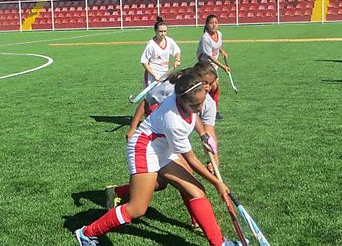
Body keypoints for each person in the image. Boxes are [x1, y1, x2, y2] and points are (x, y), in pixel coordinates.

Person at [75, 72, 234, 246]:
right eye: (196, 104)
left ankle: (219, 243)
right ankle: (86, 233)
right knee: (136, 209)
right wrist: (217, 183)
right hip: (144, 149)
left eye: (202, 101)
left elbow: (194, 115)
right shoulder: (173, 120)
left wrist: (204, 135)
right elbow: (191, 160)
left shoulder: (185, 98)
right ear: (182, 101)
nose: (200, 107)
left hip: (162, 148)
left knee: (197, 191)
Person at [109, 62, 221, 232]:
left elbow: (204, 124)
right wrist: (133, 127)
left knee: (161, 184)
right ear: (195, 79)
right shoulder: (178, 93)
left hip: (165, 144)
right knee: (184, 180)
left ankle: (117, 191)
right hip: (153, 143)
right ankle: (196, 220)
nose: (208, 87)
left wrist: (207, 140)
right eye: (205, 82)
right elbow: (146, 102)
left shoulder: (203, 99)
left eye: (210, 83)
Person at [126, 17, 181, 140]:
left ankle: (156, 118)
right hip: (152, 76)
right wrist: (155, 75)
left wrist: (177, 59)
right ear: (155, 31)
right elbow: (144, 62)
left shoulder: (169, 41)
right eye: (160, 31)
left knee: (163, 97)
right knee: (150, 98)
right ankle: (142, 123)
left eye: (165, 31)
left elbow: (177, 51)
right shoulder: (151, 45)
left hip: (165, 75)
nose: (163, 34)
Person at [196, 15, 230, 120]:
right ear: (207, 25)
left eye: (216, 22)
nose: (214, 25)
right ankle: (202, 108)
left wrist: (222, 51)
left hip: (213, 65)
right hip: (205, 65)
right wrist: (223, 66)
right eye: (211, 23)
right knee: (212, 86)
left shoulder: (219, 34)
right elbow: (210, 56)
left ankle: (213, 109)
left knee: (214, 87)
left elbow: (217, 45)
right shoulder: (205, 37)